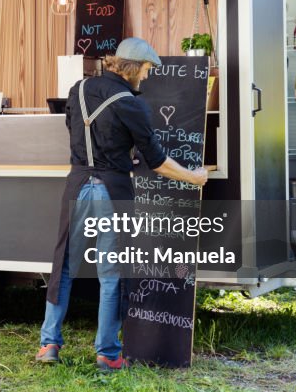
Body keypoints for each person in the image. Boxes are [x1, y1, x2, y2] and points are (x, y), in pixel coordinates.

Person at [35, 37, 209, 371]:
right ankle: (108, 354)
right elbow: (156, 161)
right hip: (112, 192)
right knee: (111, 274)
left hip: (76, 186)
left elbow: (72, 126)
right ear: (132, 67)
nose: (147, 76)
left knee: (65, 268)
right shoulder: (131, 104)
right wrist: (193, 177)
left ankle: (49, 345)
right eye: (146, 69)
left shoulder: (79, 89)